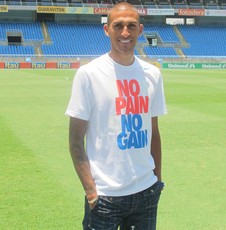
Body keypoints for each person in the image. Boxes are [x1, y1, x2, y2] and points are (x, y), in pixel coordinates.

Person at [65, 2, 167, 230]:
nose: (125, 33)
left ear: (140, 30)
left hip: (146, 192)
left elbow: (154, 133)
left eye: (131, 26)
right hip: (105, 196)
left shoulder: (152, 75)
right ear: (107, 29)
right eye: (118, 25)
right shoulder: (88, 74)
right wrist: (91, 191)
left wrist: (157, 181)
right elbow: (75, 141)